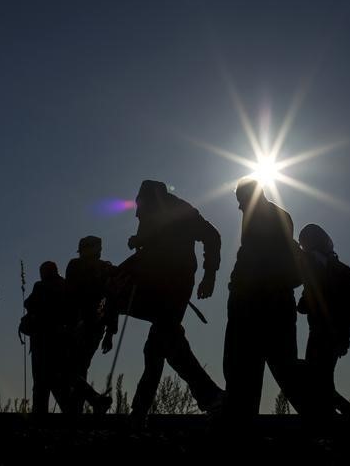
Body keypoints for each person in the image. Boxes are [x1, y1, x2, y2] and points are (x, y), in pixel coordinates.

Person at [118, 180, 224, 426]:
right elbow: (151, 245)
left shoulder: (181, 212)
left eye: (140, 205)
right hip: (157, 285)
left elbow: (212, 236)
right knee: (163, 344)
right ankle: (143, 410)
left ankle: (210, 396)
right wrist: (138, 241)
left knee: (164, 342)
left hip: (173, 285)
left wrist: (210, 275)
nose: (138, 212)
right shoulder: (154, 212)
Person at [223, 178, 306, 418]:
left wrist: (237, 289)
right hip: (276, 305)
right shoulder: (279, 217)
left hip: (256, 307)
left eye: (240, 201)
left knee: (245, 374)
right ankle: (321, 423)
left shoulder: (259, 222)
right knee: (284, 370)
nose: (239, 207)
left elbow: (254, 262)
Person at [24, 260, 111, 415]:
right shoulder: (67, 287)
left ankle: (40, 417)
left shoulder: (40, 286)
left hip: (43, 340)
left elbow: (29, 304)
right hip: (64, 340)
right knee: (66, 375)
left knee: (41, 382)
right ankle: (91, 401)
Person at [297, 223, 350, 415]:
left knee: (316, 381)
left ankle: (348, 415)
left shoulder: (313, 262)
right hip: (338, 333)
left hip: (321, 332)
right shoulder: (336, 266)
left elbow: (309, 301)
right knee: (322, 381)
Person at [65, 236, 118, 412]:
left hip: (82, 324)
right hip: (93, 325)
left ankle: (91, 402)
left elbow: (111, 300)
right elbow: (112, 300)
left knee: (70, 368)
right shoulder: (104, 268)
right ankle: (81, 408)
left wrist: (110, 332)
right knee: (79, 368)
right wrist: (110, 332)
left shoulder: (77, 266)